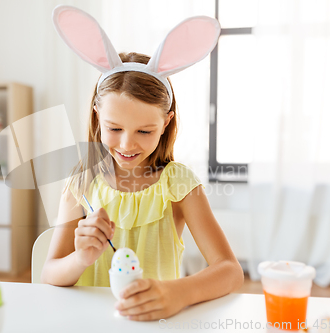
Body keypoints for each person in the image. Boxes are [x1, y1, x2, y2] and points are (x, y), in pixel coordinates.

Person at [40, 5, 243, 321]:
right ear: (97, 116)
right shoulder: (81, 182)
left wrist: (179, 293)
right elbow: (50, 274)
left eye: (144, 131)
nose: (126, 144)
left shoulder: (178, 184)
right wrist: (80, 258)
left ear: (165, 124)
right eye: (114, 128)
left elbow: (230, 271)